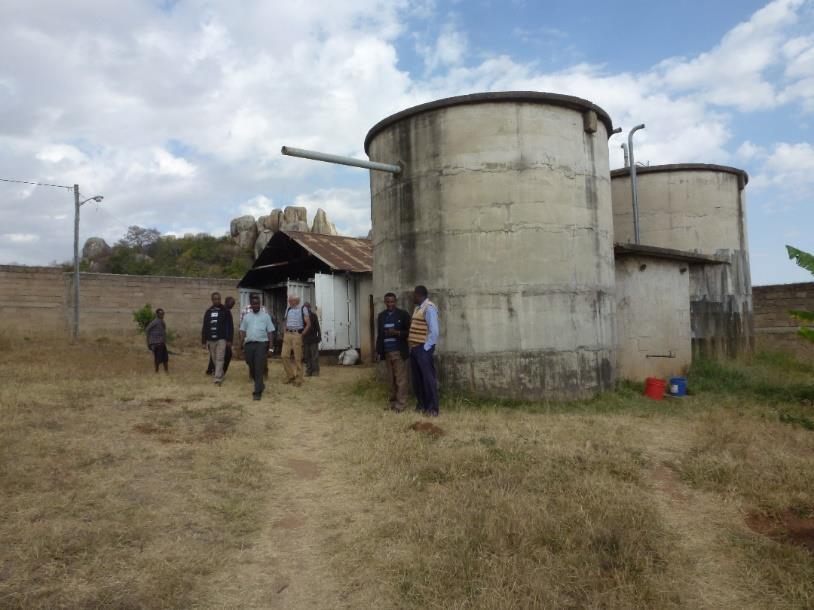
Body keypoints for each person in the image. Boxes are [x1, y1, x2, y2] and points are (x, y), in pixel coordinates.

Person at [408, 285, 440, 416]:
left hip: (423, 349)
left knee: (428, 379)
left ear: (418, 295)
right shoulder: (418, 308)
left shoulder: (429, 308)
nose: (412, 297)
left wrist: (426, 348)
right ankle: (422, 405)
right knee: (417, 379)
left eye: (413, 295)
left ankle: (432, 409)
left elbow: (434, 331)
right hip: (415, 348)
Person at [376, 293, 411, 411]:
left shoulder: (403, 314)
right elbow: (379, 335)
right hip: (387, 352)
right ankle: (392, 403)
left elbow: (409, 332)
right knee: (391, 380)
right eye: (388, 302)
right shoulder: (381, 316)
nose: (390, 304)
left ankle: (401, 404)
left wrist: (397, 333)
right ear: (384, 302)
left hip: (398, 351)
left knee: (400, 379)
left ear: (396, 302)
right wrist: (379, 351)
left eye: (392, 302)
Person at [240, 294, 275, 400]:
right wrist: (241, 345)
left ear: (260, 304)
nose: (256, 306)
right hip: (249, 345)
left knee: (259, 367)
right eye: (254, 304)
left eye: (258, 304)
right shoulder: (246, 317)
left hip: (261, 344)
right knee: (251, 364)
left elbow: (270, 332)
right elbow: (242, 330)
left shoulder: (265, 316)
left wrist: (271, 347)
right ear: (251, 305)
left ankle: (257, 392)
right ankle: (261, 385)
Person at [201, 291, 233, 385]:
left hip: (221, 339)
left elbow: (230, 326)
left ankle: (217, 378)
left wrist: (229, 339)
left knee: (220, 358)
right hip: (210, 339)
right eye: (215, 299)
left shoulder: (225, 311)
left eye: (219, 299)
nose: (217, 300)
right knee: (214, 358)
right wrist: (203, 341)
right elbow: (205, 326)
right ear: (212, 300)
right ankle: (221, 373)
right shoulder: (208, 312)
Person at [281, 294, 310, 386]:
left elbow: (308, 323)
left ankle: (298, 378)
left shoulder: (303, 309)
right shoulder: (288, 308)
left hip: (297, 334)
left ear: (296, 301)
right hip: (288, 334)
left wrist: (301, 334)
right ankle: (290, 376)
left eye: (290, 300)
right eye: (289, 300)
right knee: (284, 355)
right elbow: (285, 320)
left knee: (297, 357)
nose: (289, 302)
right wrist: (284, 330)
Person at [207, 296, 235, 375]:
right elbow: (228, 327)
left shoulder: (227, 311)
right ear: (226, 302)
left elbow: (230, 326)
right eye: (231, 303)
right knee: (223, 355)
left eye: (233, 304)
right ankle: (219, 371)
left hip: (224, 338)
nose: (232, 305)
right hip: (221, 338)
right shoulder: (223, 311)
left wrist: (229, 339)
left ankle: (215, 371)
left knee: (220, 355)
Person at [145, 308, 169, 374]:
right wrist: (149, 342)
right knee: (157, 359)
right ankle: (156, 372)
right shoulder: (155, 322)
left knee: (165, 358)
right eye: (160, 314)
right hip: (156, 344)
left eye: (163, 314)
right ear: (157, 314)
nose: (162, 315)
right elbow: (147, 330)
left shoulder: (162, 322)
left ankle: (166, 372)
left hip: (162, 343)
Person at [302, 302, 321, 377]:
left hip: (313, 339)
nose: (306, 309)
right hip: (305, 339)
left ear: (309, 308)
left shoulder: (314, 315)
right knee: (306, 356)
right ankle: (308, 371)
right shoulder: (302, 316)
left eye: (307, 307)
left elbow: (317, 326)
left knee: (314, 356)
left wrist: (319, 336)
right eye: (305, 307)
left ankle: (315, 371)